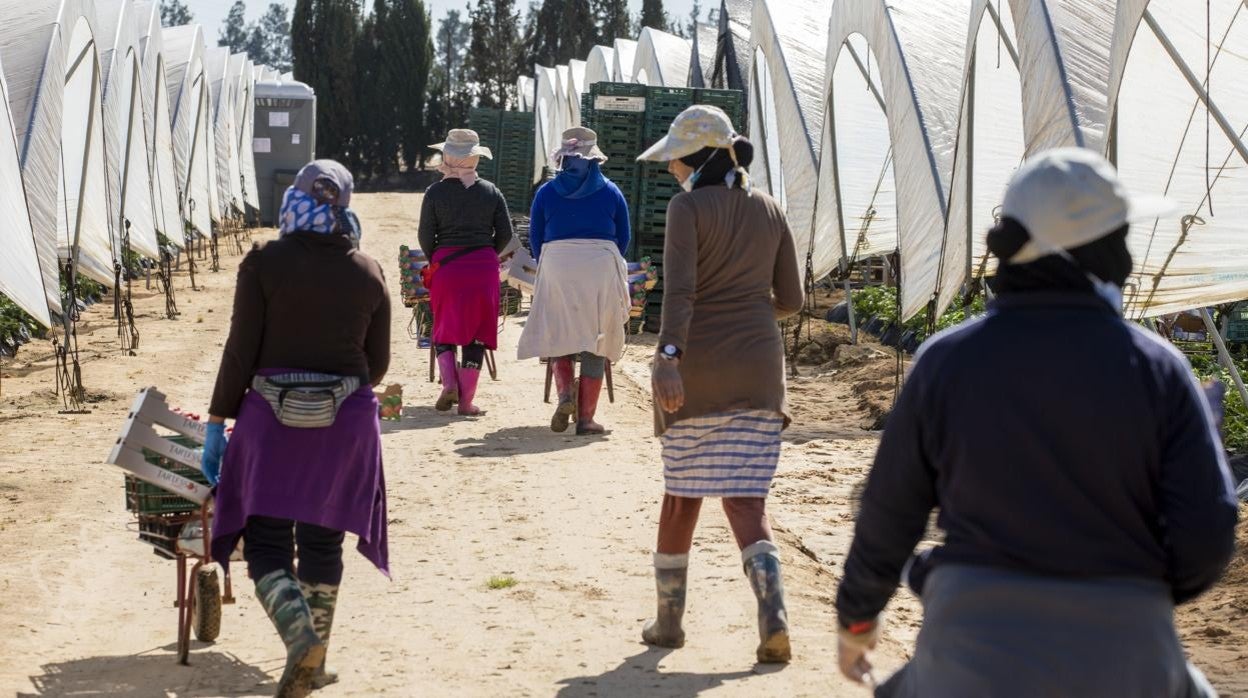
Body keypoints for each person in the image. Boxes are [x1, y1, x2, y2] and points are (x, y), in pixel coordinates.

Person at [835, 148, 1239, 696]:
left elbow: (889, 514)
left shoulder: (946, 361)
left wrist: (859, 621)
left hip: (969, 648)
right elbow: (1207, 534)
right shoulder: (1159, 368)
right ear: (1102, 251)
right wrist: (1133, 593)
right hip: (1128, 652)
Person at [202, 159, 391, 698]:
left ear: (294, 200)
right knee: (323, 538)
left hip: (271, 416)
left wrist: (218, 420)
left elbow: (241, 351)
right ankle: (316, 658)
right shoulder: (368, 271)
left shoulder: (264, 262)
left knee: (263, 539)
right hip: (345, 423)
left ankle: (298, 638)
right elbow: (375, 367)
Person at [634, 105, 804, 663]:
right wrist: (749, 319)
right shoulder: (771, 209)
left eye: (677, 159)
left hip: (697, 371)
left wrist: (668, 357)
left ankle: (667, 624)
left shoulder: (688, 208)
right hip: (760, 372)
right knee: (748, 503)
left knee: (682, 499)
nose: (671, 169)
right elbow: (793, 302)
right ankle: (773, 614)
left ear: (697, 159)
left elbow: (679, 293)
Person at [517, 127, 632, 434]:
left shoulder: (546, 192)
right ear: (594, 159)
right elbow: (624, 239)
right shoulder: (611, 191)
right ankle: (586, 419)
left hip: (557, 264)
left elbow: (536, 237)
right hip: (600, 267)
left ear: (565, 158)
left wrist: (553, 261)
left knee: (560, 330)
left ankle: (565, 394)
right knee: (597, 338)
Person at [419, 129, 514, 416]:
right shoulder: (491, 191)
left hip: (447, 268)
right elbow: (506, 234)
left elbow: (425, 236)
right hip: (483, 268)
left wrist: (437, 257)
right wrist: (486, 255)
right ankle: (466, 402)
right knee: (477, 333)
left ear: (447, 155)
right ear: (474, 158)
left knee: (444, 327)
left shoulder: (434, 193)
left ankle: (448, 382)